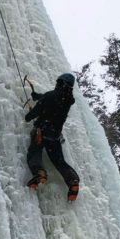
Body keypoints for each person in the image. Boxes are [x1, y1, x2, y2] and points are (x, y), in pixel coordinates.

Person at [24, 72, 80, 202]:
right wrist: (38, 96)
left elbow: (34, 113)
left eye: (58, 82)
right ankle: (72, 180)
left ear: (61, 83)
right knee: (59, 161)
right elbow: (51, 99)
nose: (56, 84)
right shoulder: (67, 101)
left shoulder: (50, 96)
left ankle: (39, 173)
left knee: (34, 152)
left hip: (41, 131)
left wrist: (28, 116)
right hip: (55, 136)